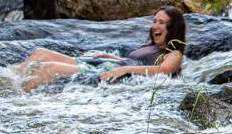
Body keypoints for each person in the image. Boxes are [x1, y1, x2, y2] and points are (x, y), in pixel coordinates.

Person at [17, 6, 186, 91]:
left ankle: (22, 96)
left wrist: (126, 68)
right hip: (108, 65)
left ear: (173, 28)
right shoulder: (150, 46)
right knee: (41, 53)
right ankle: (12, 82)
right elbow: (132, 61)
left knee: (50, 67)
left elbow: (164, 70)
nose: (155, 26)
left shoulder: (174, 53)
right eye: (154, 21)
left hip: (110, 74)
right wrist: (110, 57)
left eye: (161, 22)